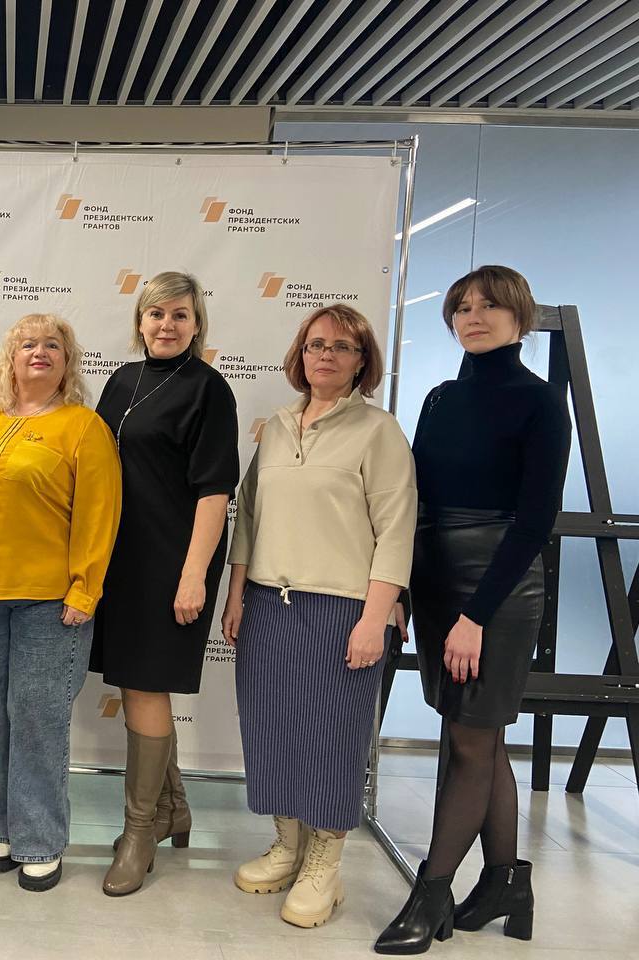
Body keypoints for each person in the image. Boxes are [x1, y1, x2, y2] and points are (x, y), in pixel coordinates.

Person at [375, 266, 571, 954]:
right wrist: (402, 588)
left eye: (489, 305)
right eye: (462, 307)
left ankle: (430, 893)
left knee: (468, 740)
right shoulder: (440, 398)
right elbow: (414, 500)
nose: (474, 316)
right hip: (435, 579)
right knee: (478, 735)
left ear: (520, 316)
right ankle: (505, 883)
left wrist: (477, 616)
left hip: (498, 588)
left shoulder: (540, 402)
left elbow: (535, 522)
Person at [222, 304, 416, 929]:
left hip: (342, 609)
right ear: (299, 355)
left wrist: (375, 618)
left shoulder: (379, 431)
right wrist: (235, 594)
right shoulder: (277, 428)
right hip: (267, 603)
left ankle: (324, 864)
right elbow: (248, 516)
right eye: (315, 345)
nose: (325, 355)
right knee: (272, 728)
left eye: (341, 346)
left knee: (333, 736)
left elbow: (396, 530)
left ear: (362, 362)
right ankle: (288, 844)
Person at [0, 313, 122, 892]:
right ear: (12, 356)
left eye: (53, 344)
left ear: (67, 361)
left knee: (36, 719)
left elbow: (100, 513)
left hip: (50, 602)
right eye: (28, 343)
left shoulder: (83, 427)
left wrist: (85, 588)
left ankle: (40, 840)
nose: (40, 352)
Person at [90, 271, 239, 896]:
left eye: (180, 314)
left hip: (175, 560)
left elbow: (215, 492)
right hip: (121, 559)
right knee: (136, 685)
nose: (167, 325)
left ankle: (139, 832)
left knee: (146, 686)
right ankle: (171, 808)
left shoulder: (208, 388)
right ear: (140, 321)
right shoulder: (121, 380)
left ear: (197, 323)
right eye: (156, 314)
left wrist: (194, 576)